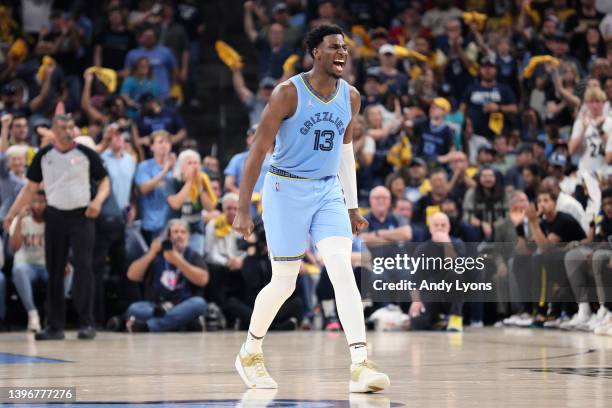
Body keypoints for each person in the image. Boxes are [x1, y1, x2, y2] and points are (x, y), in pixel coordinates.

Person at [232, 25, 389, 392]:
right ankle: (250, 351)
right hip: (284, 189)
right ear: (315, 52)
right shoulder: (288, 93)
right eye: (334, 47)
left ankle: (360, 363)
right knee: (284, 282)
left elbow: (345, 153)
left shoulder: (350, 97)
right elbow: (257, 153)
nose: (342, 53)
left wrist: (351, 205)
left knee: (341, 268)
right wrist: (243, 208)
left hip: (326, 191)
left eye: (345, 49)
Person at [3, 115, 110, 340]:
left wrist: (97, 201)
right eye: (62, 127)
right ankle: (55, 326)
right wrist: (12, 214)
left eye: (71, 127)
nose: (67, 131)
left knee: (83, 267)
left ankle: (86, 323)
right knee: (55, 269)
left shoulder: (86, 153)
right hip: (55, 215)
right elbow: (29, 190)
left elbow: (104, 181)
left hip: (82, 216)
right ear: (53, 130)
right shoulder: (44, 156)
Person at [126, 219, 209, 332]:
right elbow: (132, 275)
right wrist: (151, 253)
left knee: (199, 304)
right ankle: (179, 322)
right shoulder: (157, 255)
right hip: (156, 306)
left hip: (182, 304)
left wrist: (178, 261)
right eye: (175, 232)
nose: (179, 235)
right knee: (134, 308)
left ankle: (148, 326)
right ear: (168, 236)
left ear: (188, 237)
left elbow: (203, 280)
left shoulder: (192, 255)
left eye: (183, 232)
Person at [9, 190, 47, 332]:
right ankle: (32, 314)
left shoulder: (53, 221)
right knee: (19, 270)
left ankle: (53, 311)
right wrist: (19, 218)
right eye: (34, 202)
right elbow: (14, 246)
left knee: (68, 271)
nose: (37, 206)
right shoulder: (21, 220)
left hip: (46, 266)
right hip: (27, 265)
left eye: (41, 202)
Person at [168, 149, 217, 255]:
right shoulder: (173, 181)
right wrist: (190, 182)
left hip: (196, 231)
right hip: (176, 232)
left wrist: (200, 189)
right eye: (190, 163)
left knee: (196, 261)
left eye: (196, 163)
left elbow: (210, 207)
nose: (194, 166)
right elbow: (175, 204)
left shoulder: (203, 180)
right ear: (181, 166)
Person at [135, 130, 175, 243]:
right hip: (151, 222)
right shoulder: (145, 166)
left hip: (171, 222)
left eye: (167, 142)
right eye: (160, 142)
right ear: (152, 147)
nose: (164, 145)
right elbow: (144, 188)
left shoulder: (176, 167)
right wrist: (165, 171)